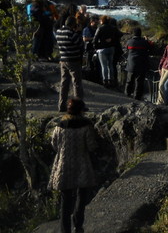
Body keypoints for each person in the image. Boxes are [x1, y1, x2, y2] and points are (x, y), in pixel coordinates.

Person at [49, 97, 98, 233]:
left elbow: (54, 144)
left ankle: (65, 230)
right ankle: (78, 224)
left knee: (65, 201)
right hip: (82, 164)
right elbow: (91, 146)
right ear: (81, 111)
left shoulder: (60, 125)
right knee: (81, 196)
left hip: (64, 165)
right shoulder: (86, 125)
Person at [55, 16, 85, 112]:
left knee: (64, 83)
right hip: (73, 60)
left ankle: (61, 105)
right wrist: (78, 32)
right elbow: (80, 44)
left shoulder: (58, 32)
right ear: (73, 24)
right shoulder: (72, 33)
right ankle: (79, 106)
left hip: (63, 59)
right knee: (76, 83)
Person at [124, 26, 152, 100]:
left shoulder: (129, 42)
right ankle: (137, 97)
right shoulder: (144, 42)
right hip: (141, 65)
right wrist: (147, 39)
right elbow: (151, 47)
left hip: (131, 65)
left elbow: (126, 49)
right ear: (140, 33)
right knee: (139, 83)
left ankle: (127, 95)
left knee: (129, 81)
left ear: (133, 34)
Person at [93, 15, 119, 87]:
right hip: (111, 48)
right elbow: (118, 35)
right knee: (110, 65)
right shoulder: (113, 28)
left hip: (102, 48)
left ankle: (105, 81)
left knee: (104, 66)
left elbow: (95, 39)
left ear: (102, 21)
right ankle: (111, 80)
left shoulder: (100, 28)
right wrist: (112, 40)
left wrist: (96, 47)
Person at [155, 33, 168, 104]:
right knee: (160, 85)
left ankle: (161, 103)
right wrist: (160, 67)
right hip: (164, 67)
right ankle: (159, 102)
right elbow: (164, 57)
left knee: (162, 85)